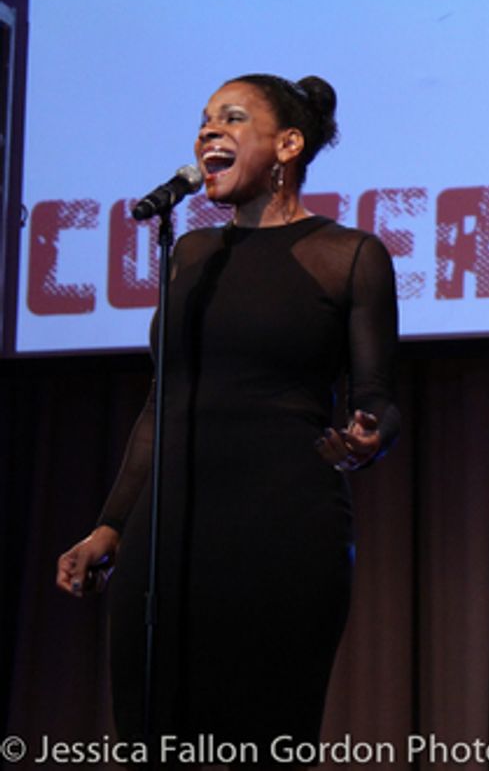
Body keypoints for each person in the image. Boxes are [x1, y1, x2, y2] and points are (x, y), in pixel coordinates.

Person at [55, 74, 399, 765]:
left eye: (232, 118)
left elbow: (378, 396)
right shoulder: (190, 256)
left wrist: (371, 435)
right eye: (205, 120)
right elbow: (164, 402)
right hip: (170, 530)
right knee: (152, 737)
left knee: (261, 738)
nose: (208, 131)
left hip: (285, 530)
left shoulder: (349, 256)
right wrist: (110, 525)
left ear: (288, 145)